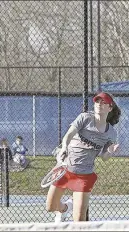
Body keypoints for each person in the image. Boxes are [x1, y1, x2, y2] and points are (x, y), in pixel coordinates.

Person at [46, 92, 121, 222]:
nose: (99, 104)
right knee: (50, 207)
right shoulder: (85, 118)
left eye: (104, 102)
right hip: (65, 169)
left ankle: (71, 210)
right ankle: (65, 208)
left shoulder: (111, 133)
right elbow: (68, 135)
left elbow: (104, 157)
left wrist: (110, 151)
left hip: (84, 175)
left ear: (110, 108)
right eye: (97, 101)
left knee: (79, 220)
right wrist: (64, 147)